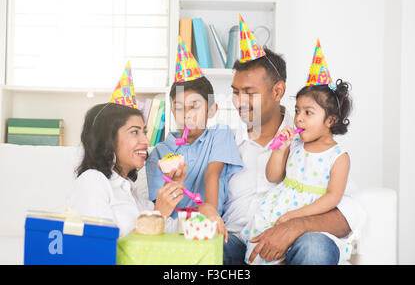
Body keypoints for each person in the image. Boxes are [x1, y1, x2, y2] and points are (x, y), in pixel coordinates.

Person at [222, 47, 365, 265]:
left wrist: (295, 225)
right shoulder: (225, 142)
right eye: (235, 92)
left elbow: (349, 210)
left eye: (249, 93)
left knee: (315, 248)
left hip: (298, 243)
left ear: (278, 91)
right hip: (238, 243)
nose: (238, 102)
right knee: (207, 247)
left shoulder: (316, 145)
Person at [67, 102, 221, 238]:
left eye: (144, 132)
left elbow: (168, 231)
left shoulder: (134, 194)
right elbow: (102, 250)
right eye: (135, 132)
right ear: (108, 139)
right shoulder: (92, 181)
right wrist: (158, 215)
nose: (146, 141)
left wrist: (202, 215)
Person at [242, 79, 353, 265]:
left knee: (301, 250)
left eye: (308, 112)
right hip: (278, 211)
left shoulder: (339, 156)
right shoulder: (295, 145)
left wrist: (296, 215)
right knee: (267, 254)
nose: (298, 118)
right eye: (297, 111)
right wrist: (280, 150)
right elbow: (273, 176)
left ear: (330, 120)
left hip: (310, 215)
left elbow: (333, 197)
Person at [146, 76, 243, 241]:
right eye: (179, 108)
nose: (187, 116)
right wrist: (173, 184)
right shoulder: (160, 152)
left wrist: (208, 211)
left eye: (194, 107)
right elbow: (160, 207)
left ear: (211, 110)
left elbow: (212, 174)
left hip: (212, 228)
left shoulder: (220, 134)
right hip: (176, 232)